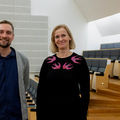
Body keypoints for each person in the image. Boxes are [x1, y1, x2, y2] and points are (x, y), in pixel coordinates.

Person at [36, 24, 90, 120]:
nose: (60, 39)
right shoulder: (47, 62)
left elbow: (85, 92)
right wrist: (39, 116)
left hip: (73, 113)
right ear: (54, 41)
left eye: (63, 35)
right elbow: (41, 92)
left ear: (69, 37)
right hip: (50, 112)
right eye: (57, 37)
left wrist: (83, 115)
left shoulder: (80, 61)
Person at [0, 20, 29, 120]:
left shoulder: (24, 60)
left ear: (13, 36)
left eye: (8, 32)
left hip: (17, 116)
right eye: (1, 32)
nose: (4, 35)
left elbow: (24, 86)